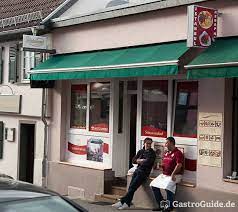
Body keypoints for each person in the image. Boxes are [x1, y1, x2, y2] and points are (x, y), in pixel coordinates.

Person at [112, 137, 156, 210]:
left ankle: (122, 201)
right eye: (147, 143)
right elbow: (133, 160)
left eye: (150, 144)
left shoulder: (152, 153)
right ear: (144, 143)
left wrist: (140, 161)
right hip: (137, 170)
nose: (148, 145)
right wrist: (139, 160)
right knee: (131, 187)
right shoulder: (140, 151)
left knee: (132, 188)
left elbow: (148, 163)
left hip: (144, 173)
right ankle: (126, 203)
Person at [150, 137, 184, 212]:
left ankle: (169, 207)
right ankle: (161, 204)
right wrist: (160, 166)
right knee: (153, 185)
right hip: (165, 175)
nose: (165, 145)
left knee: (168, 187)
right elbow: (165, 163)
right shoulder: (166, 153)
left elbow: (179, 165)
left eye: (166, 143)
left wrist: (173, 174)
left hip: (175, 175)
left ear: (171, 143)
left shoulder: (178, 153)